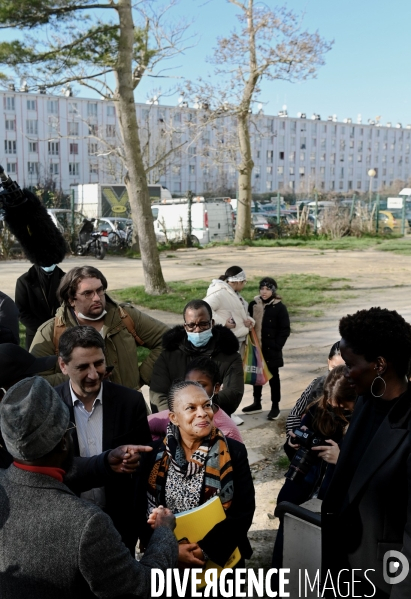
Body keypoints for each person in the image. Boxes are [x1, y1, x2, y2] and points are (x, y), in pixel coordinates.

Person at [0, 376, 178, 599]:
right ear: (65, 442)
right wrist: (163, 534)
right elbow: (141, 587)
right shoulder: (86, 524)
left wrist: (104, 463)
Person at [321, 307, 411, 598]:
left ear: (380, 364)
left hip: (383, 579)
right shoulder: (365, 404)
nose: (345, 374)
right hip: (342, 568)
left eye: (350, 365)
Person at [55, 325, 152, 554]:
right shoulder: (50, 406)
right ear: (63, 366)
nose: (93, 373)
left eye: (98, 363)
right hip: (67, 526)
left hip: (119, 527)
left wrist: (145, 530)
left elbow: (144, 475)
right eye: (82, 367)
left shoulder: (130, 403)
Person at [144, 380, 255, 574]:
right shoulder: (154, 456)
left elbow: (243, 510)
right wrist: (172, 551)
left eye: (206, 405)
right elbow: (141, 512)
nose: (202, 413)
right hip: (170, 562)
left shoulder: (233, 451)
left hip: (220, 561)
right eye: (191, 408)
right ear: (174, 417)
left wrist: (204, 550)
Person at [29, 265, 169, 390]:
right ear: (71, 300)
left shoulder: (124, 316)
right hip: (76, 412)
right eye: (87, 293)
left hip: (128, 407)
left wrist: (141, 376)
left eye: (100, 290)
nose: (96, 298)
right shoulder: (51, 332)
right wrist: (82, 376)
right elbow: (33, 381)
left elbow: (170, 339)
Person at [149, 300, 244, 416]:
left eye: (203, 324)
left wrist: (197, 409)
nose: (197, 330)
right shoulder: (168, 355)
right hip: (175, 425)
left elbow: (233, 395)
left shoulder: (230, 356)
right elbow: (158, 396)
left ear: (212, 323)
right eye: (191, 325)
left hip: (214, 422)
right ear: (185, 326)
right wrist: (176, 422)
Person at [148, 357, 243, 443]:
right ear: (174, 418)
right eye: (188, 384)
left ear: (216, 388)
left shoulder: (228, 431)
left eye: (201, 385)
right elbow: (144, 425)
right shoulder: (175, 415)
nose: (193, 390)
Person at [242, 277, 290, 420]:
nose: (264, 291)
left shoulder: (279, 307)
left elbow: (285, 329)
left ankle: (275, 406)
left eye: (268, 289)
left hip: (272, 350)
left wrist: (277, 345)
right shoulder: (253, 305)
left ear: (273, 291)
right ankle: (257, 403)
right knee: (257, 375)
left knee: (274, 377)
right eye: (262, 288)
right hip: (256, 348)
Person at [286, 341, 344, 437]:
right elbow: (295, 414)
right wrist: (294, 435)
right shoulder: (316, 384)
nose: (336, 374)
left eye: (343, 369)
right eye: (333, 367)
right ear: (328, 362)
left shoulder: (356, 392)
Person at [203, 266, 255, 356]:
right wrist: (223, 323)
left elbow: (241, 313)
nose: (244, 285)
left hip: (239, 339)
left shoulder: (235, 294)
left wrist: (249, 321)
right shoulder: (219, 293)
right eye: (244, 282)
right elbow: (205, 309)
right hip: (225, 342)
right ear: (239, 282)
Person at [15, 263, 65, 349]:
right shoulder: (23, 281)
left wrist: (60, 327)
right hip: (35, 334)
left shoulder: (66, 279)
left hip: (63, 333)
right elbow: (21, 312)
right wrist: (45, 330)